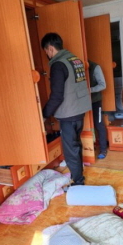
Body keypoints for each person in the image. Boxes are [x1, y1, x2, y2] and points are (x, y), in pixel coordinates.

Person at [41, 32, 90, 185]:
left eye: (46, 51)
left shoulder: (58, 65)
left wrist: (44, 114)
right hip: (80, 110)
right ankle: (78, 174)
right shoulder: (75, 59)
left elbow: (57, 96)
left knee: (70, 149)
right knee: (75, 145)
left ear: (50, 48)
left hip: (69, 113)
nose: (47, 55)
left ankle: (78, 181)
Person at [88, 60, 108, 160]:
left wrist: (89, 90)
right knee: (86, 125)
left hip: (95, 101)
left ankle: (103, 149)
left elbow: (103, 85)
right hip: (82, 103)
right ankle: (89, 149)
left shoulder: (95, 67)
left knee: (99, 124)